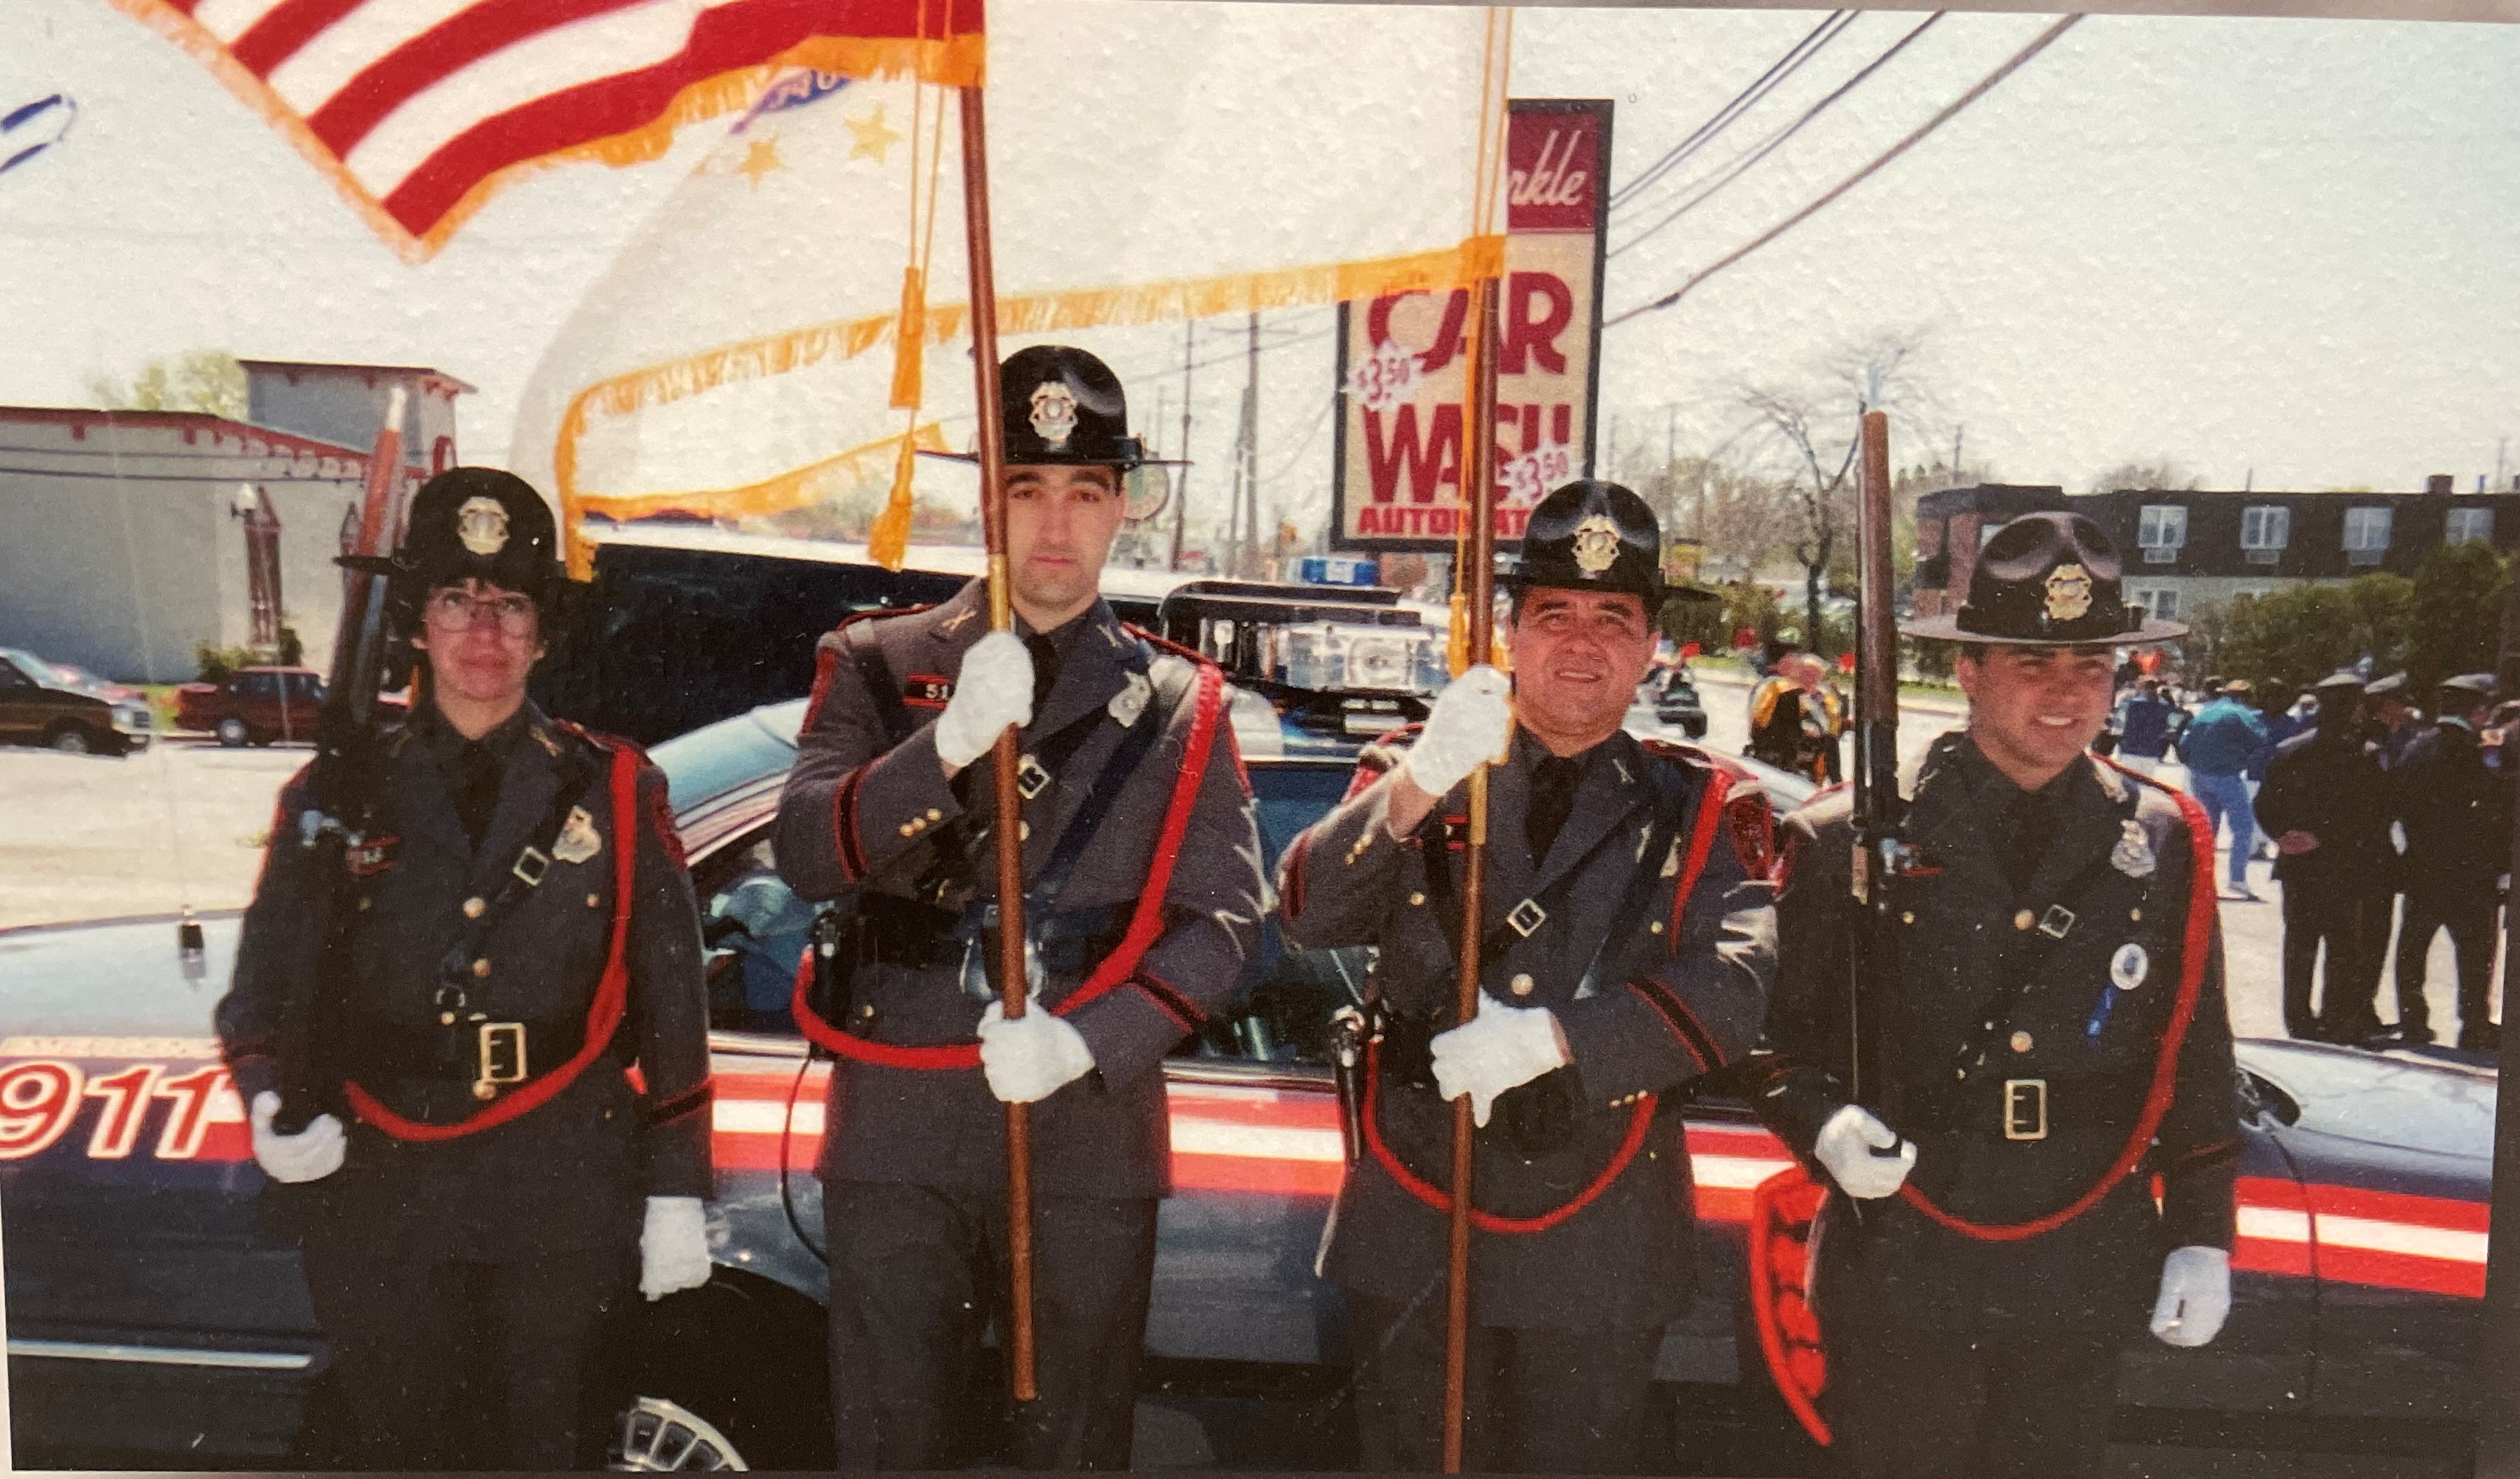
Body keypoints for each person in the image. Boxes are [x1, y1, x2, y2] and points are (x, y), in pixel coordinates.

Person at [773, 345, 1267, 1469]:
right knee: (894, 1438)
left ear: (1123, 506)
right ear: (985, 498)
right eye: (1027, 489)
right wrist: (939, 748)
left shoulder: (1180, 700)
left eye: (1085, 491)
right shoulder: (877, 661)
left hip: (1088, 1123)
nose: (1056, 524)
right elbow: (803, 849)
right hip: (900, 1112)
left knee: (1072, 1444)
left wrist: (1088, 1043)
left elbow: (1228, 924)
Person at [218, 468, 715, 1469]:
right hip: (385, 1188)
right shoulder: (339, 787)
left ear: (542, 631)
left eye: (510, 604)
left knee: (550, 1449)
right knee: (400, 1448)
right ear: (417, 624)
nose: (483, 630)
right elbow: (263, 987)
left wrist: (674, 1191)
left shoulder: (615, 785)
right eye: (457, 600)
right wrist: (270, 1099)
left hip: (560, 1185)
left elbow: (672, 999)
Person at [1276, 480, 1776, 1473]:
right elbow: (1305, 915)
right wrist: (1421, 778)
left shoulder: (1705, 803)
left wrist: (1558, 1038)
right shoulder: (1413, 766)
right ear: (1507, 630)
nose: (1581, 643)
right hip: (1419, 1204)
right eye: (1553, 615)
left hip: (1600, 1224)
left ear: (1648, 647)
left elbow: (1739, 987)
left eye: (1612, 619)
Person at [1748, 511, 2237, 1479]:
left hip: (2080, 1249)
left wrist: (2200, 1232)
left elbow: (2196, 1051)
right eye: (2032, 664)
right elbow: (1771, 1043)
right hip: (1908, 1249)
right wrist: (1823, 1123)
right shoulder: (1850, 835)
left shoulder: (2162, 837)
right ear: (1967, 672)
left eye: (2091, 667)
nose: (2066, 695)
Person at [2253, 672, 2395, 1043]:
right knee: (2342, 946)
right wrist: (2320, 837)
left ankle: (2298, 1021)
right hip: (2343, 866)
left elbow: (2264, 803)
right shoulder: (2362, 754)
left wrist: (2282, 837)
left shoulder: (2289, 749)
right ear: (2353, 710)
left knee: (2299, 945)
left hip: (2298, 866)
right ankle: (2336, 1021)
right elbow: (2371, 815)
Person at [2392, 673, 2512, 1053]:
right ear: (2477, 711)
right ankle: (2473, 1026)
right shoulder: (2474, 751)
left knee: (2413, 949)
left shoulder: (2416, 746)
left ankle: (2414, 1023)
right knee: (2475, 954)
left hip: (2422, 863)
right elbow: (2491, 811)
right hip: (2469, 871)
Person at [2178, 680, 2269, 900]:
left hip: (2200, 776)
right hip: (2226, 776)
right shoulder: (2239, 713)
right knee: (2243, 828)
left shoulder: (2206, 712)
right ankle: (2237, 879)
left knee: (2208, 831)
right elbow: (2261, 739)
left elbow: (2184, 745)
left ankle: (2201, 882)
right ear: (2245, 696)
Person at [1749, 650, 1844, 784]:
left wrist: (1818, 724)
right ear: (1797, 671)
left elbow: (1833, 724)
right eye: (1807, 673)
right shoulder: (1778, 687)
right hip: (1774, 733)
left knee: (1830, 741)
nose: (1810, 679)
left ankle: (1836, 782)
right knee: (1789, 699)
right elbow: (1760, 718)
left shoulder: (1822, 695)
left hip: (1809, 738)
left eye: (1815, 675)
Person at [2112, 676, 2175, 776]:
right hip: (2151, 752)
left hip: (2130, 749)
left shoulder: (2129, 704)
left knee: (2128, 785)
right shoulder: (2165, 707)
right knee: (2144, 783)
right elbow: (2170, 730)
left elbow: (2117, 729)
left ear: (2141, 687)